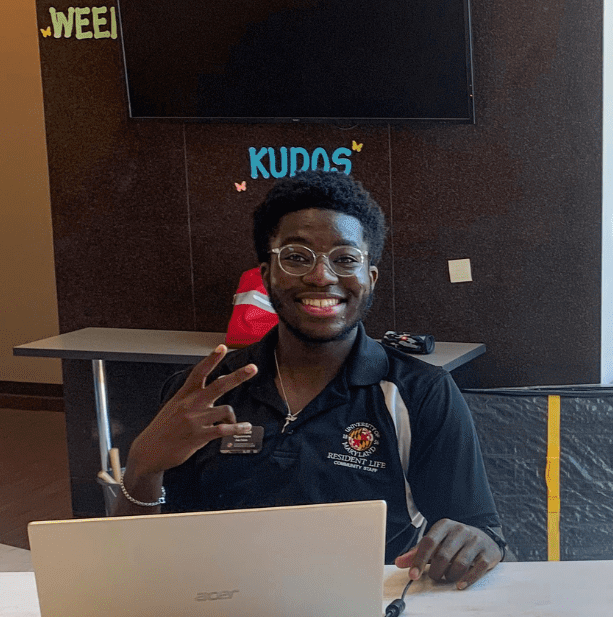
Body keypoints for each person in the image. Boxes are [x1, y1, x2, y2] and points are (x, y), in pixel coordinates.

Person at [115, 171, 504, 590]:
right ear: (266, 276)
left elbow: (479, 532)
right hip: (222, 611)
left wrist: (478, 543)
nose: (321, 276)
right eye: (297, 257)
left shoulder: (419, 391)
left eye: (345, 258)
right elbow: (139, 559)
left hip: (370, 616)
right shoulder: (204, 393)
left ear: (369, 278)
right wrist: (142, 466)